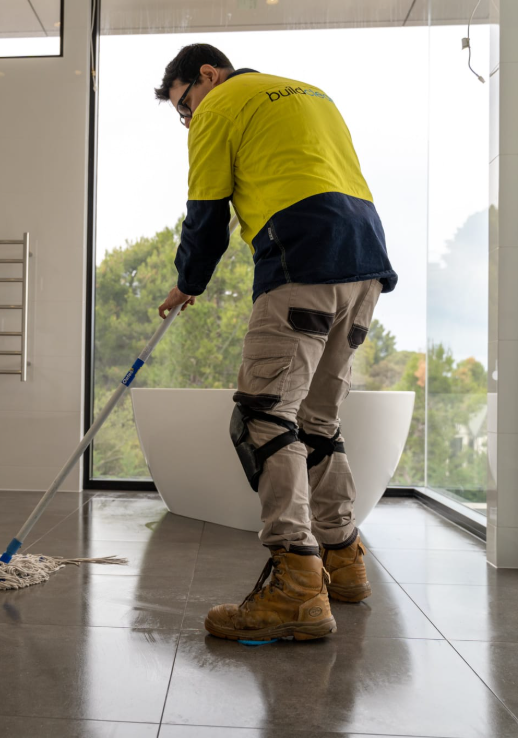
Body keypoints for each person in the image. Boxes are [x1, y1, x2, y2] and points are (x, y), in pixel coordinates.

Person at [154, 44, 399, 643]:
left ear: (207, 76)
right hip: (366, 263)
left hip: (303, 259)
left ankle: (294, 587)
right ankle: (343, 562)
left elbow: (205, 212)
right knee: (317, 421)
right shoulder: (311, 92)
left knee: (264, 419)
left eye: (185, 106)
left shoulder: (221, 106)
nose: (189, 120)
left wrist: (188, 282)